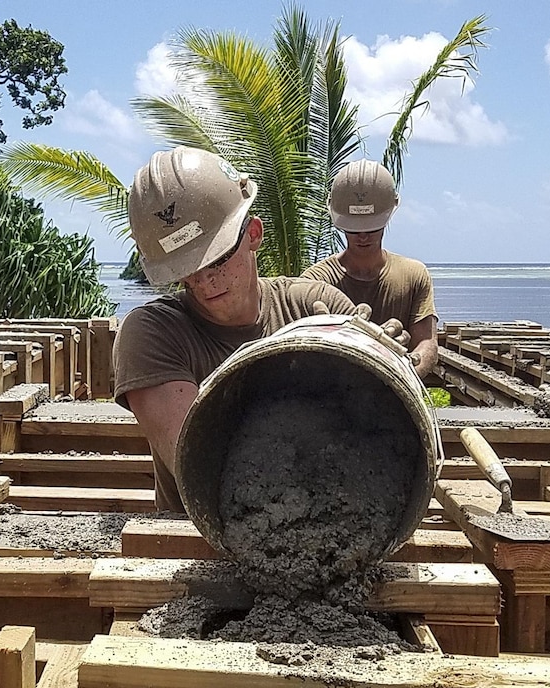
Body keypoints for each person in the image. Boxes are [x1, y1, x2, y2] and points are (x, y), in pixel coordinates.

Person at [112, 147, 409, 513]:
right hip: (204, 544)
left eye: (218, 258)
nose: (205, 282)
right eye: (185, 270)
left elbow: (382, 441)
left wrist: (381, 362)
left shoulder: (314, 305)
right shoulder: (153, 333)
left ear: (253, 233)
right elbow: (201, 468)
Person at [301, 159, 438, 377]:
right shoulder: (314, 282)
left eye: (372, 228)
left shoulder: (413, 275)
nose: (363, 236)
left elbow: (427, 344)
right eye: (354, 230)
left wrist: (402, 377)